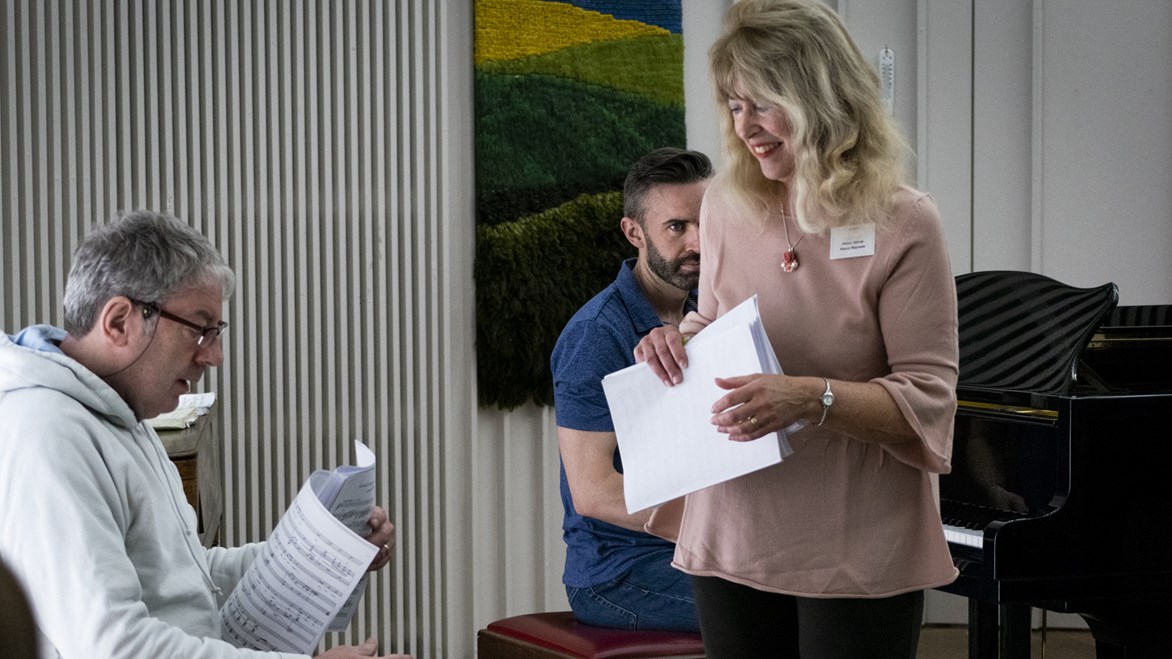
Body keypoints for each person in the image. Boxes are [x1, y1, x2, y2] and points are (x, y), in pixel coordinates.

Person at [632, 1, 960, 657]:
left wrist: (811, 397)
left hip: (855, 537)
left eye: (763, 104)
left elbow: (928, 395)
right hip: (735, 525)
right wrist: (676, 341)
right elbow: (711, 319)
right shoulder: (724, 204)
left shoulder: (905, 220)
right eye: (734, 106)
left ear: (819, 96)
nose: (745, 127)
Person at [0, 211, 411, 659]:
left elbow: (186, 577)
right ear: (119, 322)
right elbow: (115, 648)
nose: (214, 356)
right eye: (200, 330)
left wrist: (332, 556)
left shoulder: (115, 411)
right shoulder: (49, 435)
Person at [550, 147, 713, 632]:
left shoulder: (710, 308)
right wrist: (721, 531)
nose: (698, 242)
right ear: (634, 232)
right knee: (773, 612)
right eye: (677, 227)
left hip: (694, 550)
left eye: (706, 223)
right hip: (619, 573)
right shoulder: (595, 335)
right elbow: (593, 492)